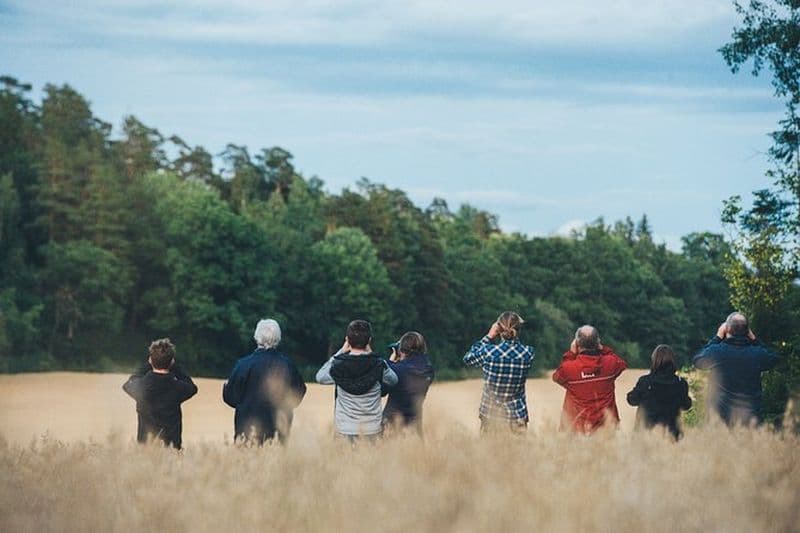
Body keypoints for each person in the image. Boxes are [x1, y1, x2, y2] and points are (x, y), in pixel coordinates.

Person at [223, 319, 307, 444]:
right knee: (276, 462)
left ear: (256, 337)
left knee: (247, 462)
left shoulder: (243, 365)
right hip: (279, 432)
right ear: (278, 338)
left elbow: (230, 397)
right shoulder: (288, 365)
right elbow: (298, 393)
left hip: (247, 432)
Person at [316, 319, 398, 441]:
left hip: (344, 428)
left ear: (347, 340)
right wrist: (372, 354)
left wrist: (340, 352)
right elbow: (393, 380)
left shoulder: (338, 364)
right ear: (369, 340)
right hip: (372, 428)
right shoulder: (379, 364)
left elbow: (320, 377)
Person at [693, 312, 778, 426]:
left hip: (720, 419)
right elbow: (774, 358)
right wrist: (754, 339)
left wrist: (717, 337)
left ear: (726, 329)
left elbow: (698, 360)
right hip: (750, 419)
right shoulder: (757, 353)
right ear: (747, 331)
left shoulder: (716, 352)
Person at [463, 312, 534, 435]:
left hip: (491, 414)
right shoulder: (528, 353)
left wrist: (489, 336)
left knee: (490, 453)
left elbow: (468, 358)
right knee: (519, 453)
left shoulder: (488, 352)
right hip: (517, 414)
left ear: (498, 329)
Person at [122, 338, 198, 449]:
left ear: (150, 360)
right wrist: (174, 367)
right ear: (172, 361)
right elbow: (192, 387)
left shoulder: (141, 386)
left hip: (145, 446)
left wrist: (149, 365)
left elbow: (130, 382)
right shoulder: (178, 387)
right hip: (171, 446)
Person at [553, 325, 627, 434]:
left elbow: (557, 377)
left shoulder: (568, 368)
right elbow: (621, 363)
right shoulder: (611, 363)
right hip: (606, 427)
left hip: (578, 428)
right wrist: (603, 349)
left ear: (577, 344)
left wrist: (571, 354)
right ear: (597, 343)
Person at [627, 345, 692, 440]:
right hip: (672, 434)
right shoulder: (680, 383)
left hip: (645, 433)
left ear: (654, 360)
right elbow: (686, 405)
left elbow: (632, 400)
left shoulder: (645, 381)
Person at [382, 331, 435, 435]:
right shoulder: (429, 370)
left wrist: (391, 362)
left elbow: (383, 389)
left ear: (401, 350)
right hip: (415, 424)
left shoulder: (395, 370)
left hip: (392, 424)